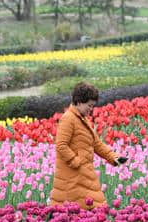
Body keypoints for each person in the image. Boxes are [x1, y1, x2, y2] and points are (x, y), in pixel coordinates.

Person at [49, 82, 127, 211]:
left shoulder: (82, 120)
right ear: (79, 102)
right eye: (89, 105)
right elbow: (61, 145)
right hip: (72, 178)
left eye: (93, 106)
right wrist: (75, 161)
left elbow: (97, 144)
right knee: (83, 211)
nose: (91, 109)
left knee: (92, 210)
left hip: (83, 175)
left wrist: (114, 157)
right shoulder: (68, 119)